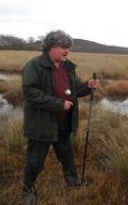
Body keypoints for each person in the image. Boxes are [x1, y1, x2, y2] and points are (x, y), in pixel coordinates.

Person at [21, 30, 99, 205]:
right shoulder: (34, 66)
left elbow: (75, 90)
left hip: (63, 122)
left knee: (67, 155)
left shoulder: (67, 67)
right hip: (41, 123)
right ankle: (26, 190)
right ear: (50, 47)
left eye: (68, 48)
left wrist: (88, 86)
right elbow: (30, 92)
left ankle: (73, 183)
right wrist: (58, 104)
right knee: (35, 161)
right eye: (63, 47)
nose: (67, 51)